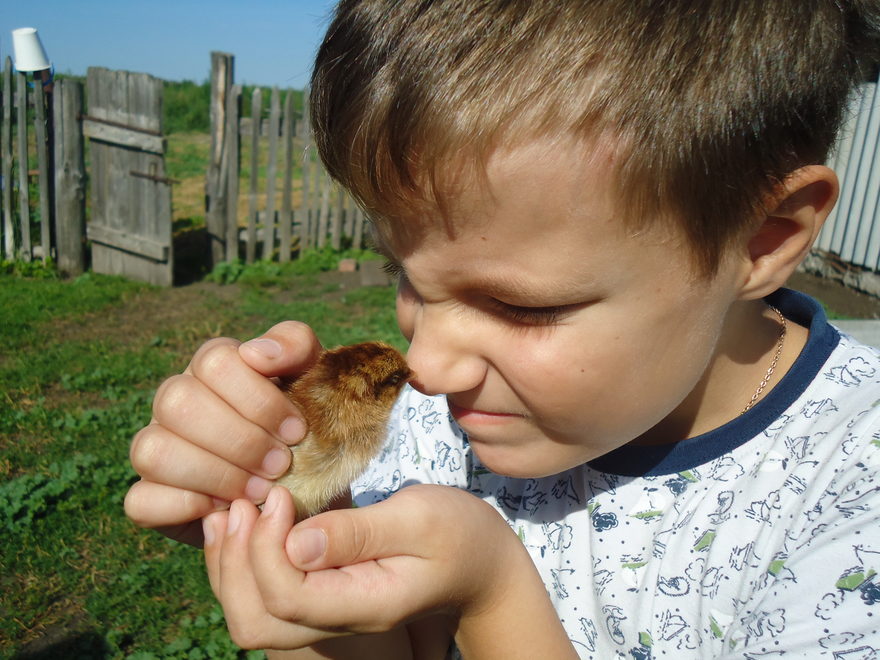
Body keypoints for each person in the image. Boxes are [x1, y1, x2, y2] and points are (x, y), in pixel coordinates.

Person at [125, 1, 880, 657]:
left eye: (523, 307)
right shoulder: (436, 431)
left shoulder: (849, 504)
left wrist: (494, 599)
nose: (428, 366)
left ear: (762, 239)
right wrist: (307, 572)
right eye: (407, 279)